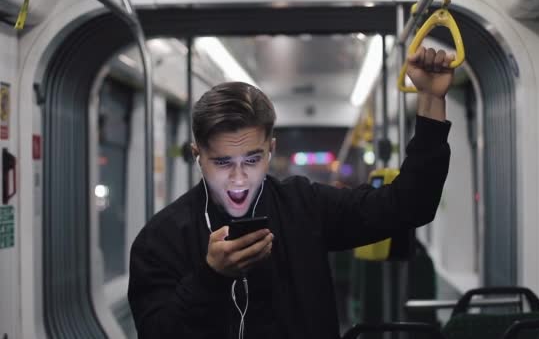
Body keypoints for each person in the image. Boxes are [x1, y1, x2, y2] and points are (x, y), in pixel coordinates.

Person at [127, 46, 454, 339]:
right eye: (222, 163)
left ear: (270, 150)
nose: (238, 180)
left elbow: (408, 206)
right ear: (197, 155)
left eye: (252, 160)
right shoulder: (161, 239)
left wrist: (431, 101)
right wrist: (210, 276)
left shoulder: (305, 206)